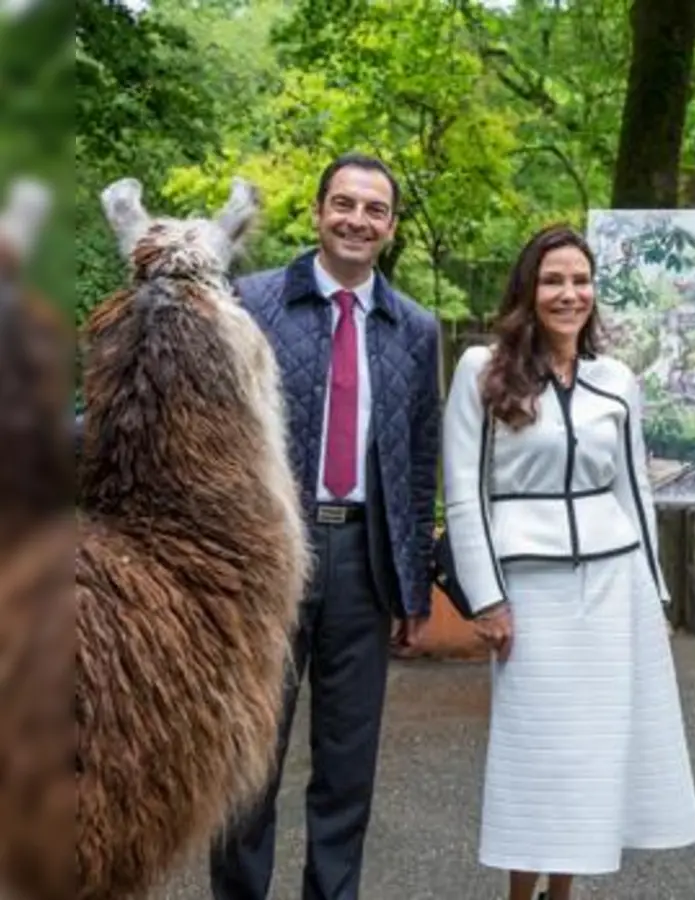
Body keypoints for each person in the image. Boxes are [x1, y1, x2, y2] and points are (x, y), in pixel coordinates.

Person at [441, 224, 695, 900]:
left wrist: (657, 596)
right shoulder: (481, 369)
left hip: (614, 586)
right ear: (529, 289)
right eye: (554, 280)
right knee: (537, 755)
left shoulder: (615, 381)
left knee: (593, 754)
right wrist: (487, 598)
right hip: (530, 591)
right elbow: (464, 492)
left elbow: (635, 491)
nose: (569, 293)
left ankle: (566, 895)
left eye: (580, 280)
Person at [209, 152, 441, 900]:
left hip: (362, 561)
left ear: (391, 226)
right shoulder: (250, 303)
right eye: (344, 204)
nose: (357, 220)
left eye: (374, 209)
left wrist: (413, 588)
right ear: (317, 212)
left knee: (347, 768)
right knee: (249, 762)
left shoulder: (415, 329)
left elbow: (418, 463)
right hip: (267, 560)